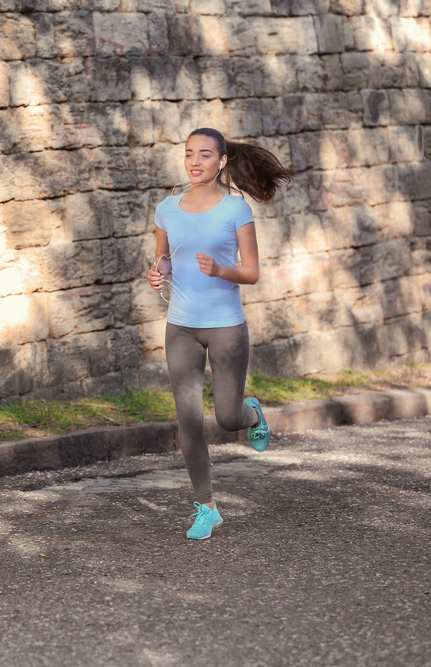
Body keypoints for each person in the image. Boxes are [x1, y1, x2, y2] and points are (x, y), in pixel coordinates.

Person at [146, 128, 294, 540]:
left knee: (227, 418)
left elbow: (251, 272)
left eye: (205, 155)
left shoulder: (235, 211)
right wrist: (159, 274)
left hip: (226, 327)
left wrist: (220, 269)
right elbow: (164, 258)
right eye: (189, 154)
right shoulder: (167, 209)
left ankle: (252, 413)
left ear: (222, 161)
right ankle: (206, 506)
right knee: (188, 419)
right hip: (181, 327)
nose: (195, 162)